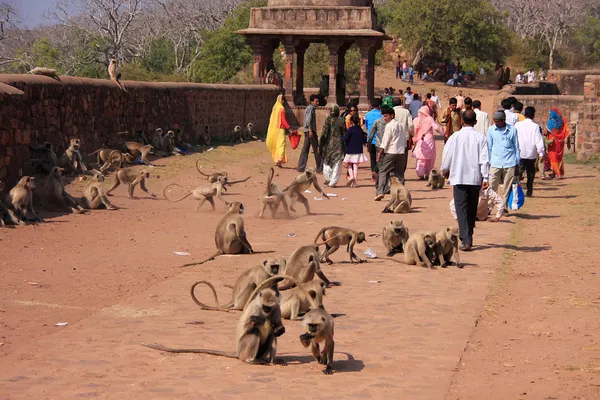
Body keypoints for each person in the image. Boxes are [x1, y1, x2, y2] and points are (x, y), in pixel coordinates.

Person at [441, 109, 490, 251]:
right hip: (475, 178)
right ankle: (468, 236)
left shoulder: (455, 137)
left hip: (459, 177)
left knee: (461, 208)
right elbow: (484, 159)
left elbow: (447, 156)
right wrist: (485, 176)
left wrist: (444, 170)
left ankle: (466, 238)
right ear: (475, 122)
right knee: (471, 208)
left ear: (462, 122)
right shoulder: (481, 138)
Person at [487, 110, 520, 211]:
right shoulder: (491, 130)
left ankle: (503, 207)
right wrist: (488, 163)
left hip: (509, 162)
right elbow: (489, 147)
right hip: (495, 162)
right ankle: (489, 207)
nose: (496, 123)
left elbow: (516, 147)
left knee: (507, 187)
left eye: (498, 121)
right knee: (492, 186)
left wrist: (517, 163)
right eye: (495, 121)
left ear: (503, 120)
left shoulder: (512, 130)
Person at [375, 107, 407, 200]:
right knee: (399, 174)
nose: (385, 118)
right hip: (401, 152)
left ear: (392, 116)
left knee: (383, 171)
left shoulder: (389, 126)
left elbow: (385, 141)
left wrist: (380, 153)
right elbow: (404, 138)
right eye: (384, 116)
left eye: (386, 116)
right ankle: (401, 195)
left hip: (391, 152)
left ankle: (380, 192)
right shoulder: (400, 125)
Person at [515, 106, 545, 197]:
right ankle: (529, 190)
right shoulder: (535, 126)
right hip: (531, 153)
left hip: (520, 152)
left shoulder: (517, 125)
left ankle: (516, 189)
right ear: (533, 115)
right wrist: (541, 153)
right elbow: (538, 140)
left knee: (518, 172)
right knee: (530, 172)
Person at [319, 104, 346, 187]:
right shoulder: (341, 120)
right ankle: (333, 182)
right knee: (337, 164)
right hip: (338, 145)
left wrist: (321, 144)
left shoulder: (328, 120)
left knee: (327, 161)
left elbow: (324, 133)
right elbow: (344, 133)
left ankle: (328, 178)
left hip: (328, 145)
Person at [412, 106, 442, 180]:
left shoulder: (416, 120)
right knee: (429, 159)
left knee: (420, 158)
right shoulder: (430, 119)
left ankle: (420, 173)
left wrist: (414, 139)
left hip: (420, 140)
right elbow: (436, 128)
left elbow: (414, 130)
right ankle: (427, 173)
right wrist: (443, 133)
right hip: (429, 139)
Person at [298, 94, 322, 173]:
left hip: (308, 131)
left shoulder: (311, 108)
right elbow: (308, 120)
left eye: (318, 101)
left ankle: (301, 167)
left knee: (305, 149)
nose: (317, 103)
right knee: (317, 149)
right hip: (310, 131)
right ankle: (319, 168)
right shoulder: (310, 108)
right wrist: (310, 130)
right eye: (316, 101)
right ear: (311, 101)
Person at [544, 107, 571, 179]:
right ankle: (555, 173)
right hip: (560, 143)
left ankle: (558, 174)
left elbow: (545, 132)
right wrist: (568, 143)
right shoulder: (563, 121)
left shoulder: (550, 122)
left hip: (552, 143)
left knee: (553, 158)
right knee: (559, 158)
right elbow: (567, 132)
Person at [342, 115, 367, 188]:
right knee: (355, 166)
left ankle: (351, 176)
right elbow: (363, 139)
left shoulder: (350, 129)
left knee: (348, 164)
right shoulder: (360, 130)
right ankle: (355, 182)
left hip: (350, 150)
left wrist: (342, 139)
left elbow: (345, 138)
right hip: (358, 150)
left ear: (351, 121)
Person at [265, 94, 290, 168]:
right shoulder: (281, 108)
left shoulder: (275, 107)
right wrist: (289, 127)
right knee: (281, 144)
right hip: (281, 129)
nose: (283, 101)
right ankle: (279, 159)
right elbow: (283, 120)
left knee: (277, 144)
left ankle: (277, 160)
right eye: (283, 100)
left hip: (275, 130)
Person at [393, 98, 414, 177]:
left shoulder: (391, 111)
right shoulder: (406, 111)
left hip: (393, 138)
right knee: (403, 158)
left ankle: (394, 174)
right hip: (404, 138)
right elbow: (411, 125)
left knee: (393, 156)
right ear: (401, 103)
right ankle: (401, 174)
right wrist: (411, 134)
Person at [365, 99, 383, 180]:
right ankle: (377, 173)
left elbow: (366, 126)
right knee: (379, 158)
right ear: (379, 106)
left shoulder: (368, 114)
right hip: (379, 140)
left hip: (370, 140)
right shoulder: (381, 115)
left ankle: (373, 175)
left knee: (372, 158)